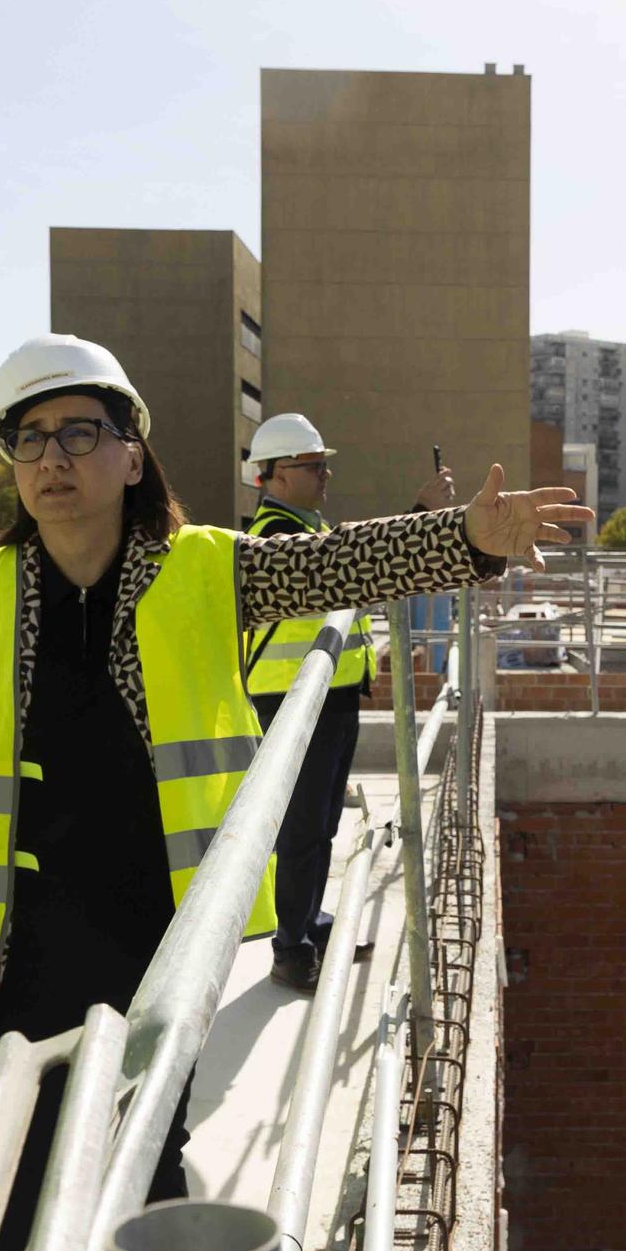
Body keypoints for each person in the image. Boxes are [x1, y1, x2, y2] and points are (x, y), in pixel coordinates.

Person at [0, 334, 586, 1251]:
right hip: (4, 951)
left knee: (144, 1160)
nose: (53, 458)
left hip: (152, 938)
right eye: (28, 438)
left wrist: (466, 538)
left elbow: (341, 565)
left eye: (79, 432)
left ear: (134, 454)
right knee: (20, 1180)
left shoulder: (202, 567)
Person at [241, 412, 457, 989]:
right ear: (273, 476)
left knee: (323, 824)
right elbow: (351, 567)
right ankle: (291, 949)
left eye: (323, 463)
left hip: (329, 700)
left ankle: (309, 919)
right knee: (302, 830)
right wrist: (418, 519)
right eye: (313, 465)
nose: (325, 473)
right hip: (291, 704)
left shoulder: (303, 529)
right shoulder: (271, 541)